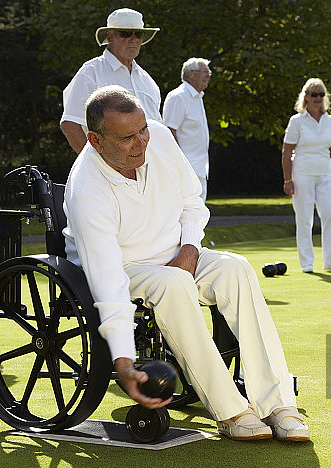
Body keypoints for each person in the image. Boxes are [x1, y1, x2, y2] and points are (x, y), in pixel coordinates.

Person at [63, 86, 310, 442]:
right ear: (95, 141)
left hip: (176, 254)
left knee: (236, 268)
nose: (142, 142)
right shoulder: (86, 187)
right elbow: (106, 280)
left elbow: (192, 201)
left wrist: (191, 247)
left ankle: (278, 404)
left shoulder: (159, 138)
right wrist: (123, 361)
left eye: (143, 130)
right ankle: (231, 412)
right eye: (127, 137)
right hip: (124, 267)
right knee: (174, 284)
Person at [60, 8, 161, 154]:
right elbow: (70, 124)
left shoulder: (148, 80)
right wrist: (97, 165)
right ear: (110, 36)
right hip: (110, 171)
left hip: (151, 169)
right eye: (125, 34)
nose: (133, 39)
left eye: (138, 34)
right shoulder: (91, 72)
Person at [281, 78, 331, 273]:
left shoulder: (330, 121)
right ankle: (307, 262)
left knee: (330, 216)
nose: (317, 98)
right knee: (304, 218)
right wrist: (288, 179)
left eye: (321, 94)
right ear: (306, 96)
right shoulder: (296, 121)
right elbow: (286, 152)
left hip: (325, 174)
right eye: (314, 94)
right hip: (302, 175)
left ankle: (330, 262)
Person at [163, 58, 212, 201]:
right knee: (184, 217)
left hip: (199, 170)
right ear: (191, 74)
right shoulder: (179, 97)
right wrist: (181, 167)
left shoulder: (197, 97)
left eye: (209, 72)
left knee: (198, 217)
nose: (208, 75)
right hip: (185, 171)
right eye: (205, 72)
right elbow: (169, 133)